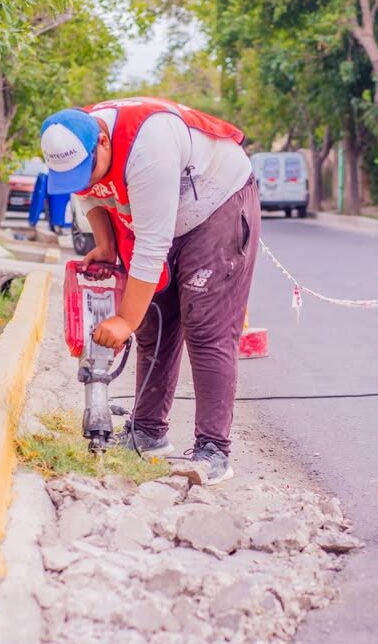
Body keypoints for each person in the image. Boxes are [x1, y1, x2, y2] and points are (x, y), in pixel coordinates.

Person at [40, 97, 260, 485]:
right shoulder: (76, 138)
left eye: (85, 171)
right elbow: (88, 191)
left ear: (103, 143)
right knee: (154, 325)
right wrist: (105, 243)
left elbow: (151, 246)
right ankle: (148, 431)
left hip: (217, 204)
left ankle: (213, 449)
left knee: (204, 326)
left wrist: (124, 319)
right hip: (164, 216)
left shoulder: (148, 146)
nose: (83, 181)